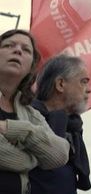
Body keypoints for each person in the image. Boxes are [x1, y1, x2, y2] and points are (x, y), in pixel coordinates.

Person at [0, 29, 69, 194]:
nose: (17, 50)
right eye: (9, 45)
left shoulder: (30, 113)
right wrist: (32, 159)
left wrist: (10, 128)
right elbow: (18, 161)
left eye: (26, 50)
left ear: (31, 66)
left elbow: (59, 154)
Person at [29, 55, 91, 194]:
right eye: (83, 82)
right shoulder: (27, 118)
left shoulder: (72, 128)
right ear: (60, 84)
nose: (89, 90)